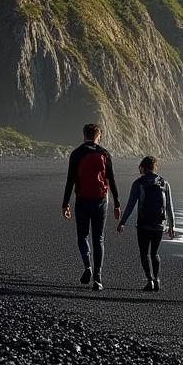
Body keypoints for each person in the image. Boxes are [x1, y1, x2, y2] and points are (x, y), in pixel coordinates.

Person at [62, 123, 120, 291]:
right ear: (98, 136)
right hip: (101, 201)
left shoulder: (76, 154)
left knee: (82, 236)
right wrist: (117, 203)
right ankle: (98, 278)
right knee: (98, 238)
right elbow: (112, 180)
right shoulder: (105, 154)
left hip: (82, 200)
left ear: (84, 135)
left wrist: (65, 204)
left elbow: (70, 180)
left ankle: (87, 266)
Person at [117, 156, 176, 291]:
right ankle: (157, 279)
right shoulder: (164, 183)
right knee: (154, 253)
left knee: (144, 253)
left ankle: (150, 280)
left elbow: (130, 205)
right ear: (155, 167)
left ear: (142, 167)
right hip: (159, 225)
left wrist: (122, 222)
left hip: (143, 225)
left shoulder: (138, 183)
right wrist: (172, 225)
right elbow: (169, 207)